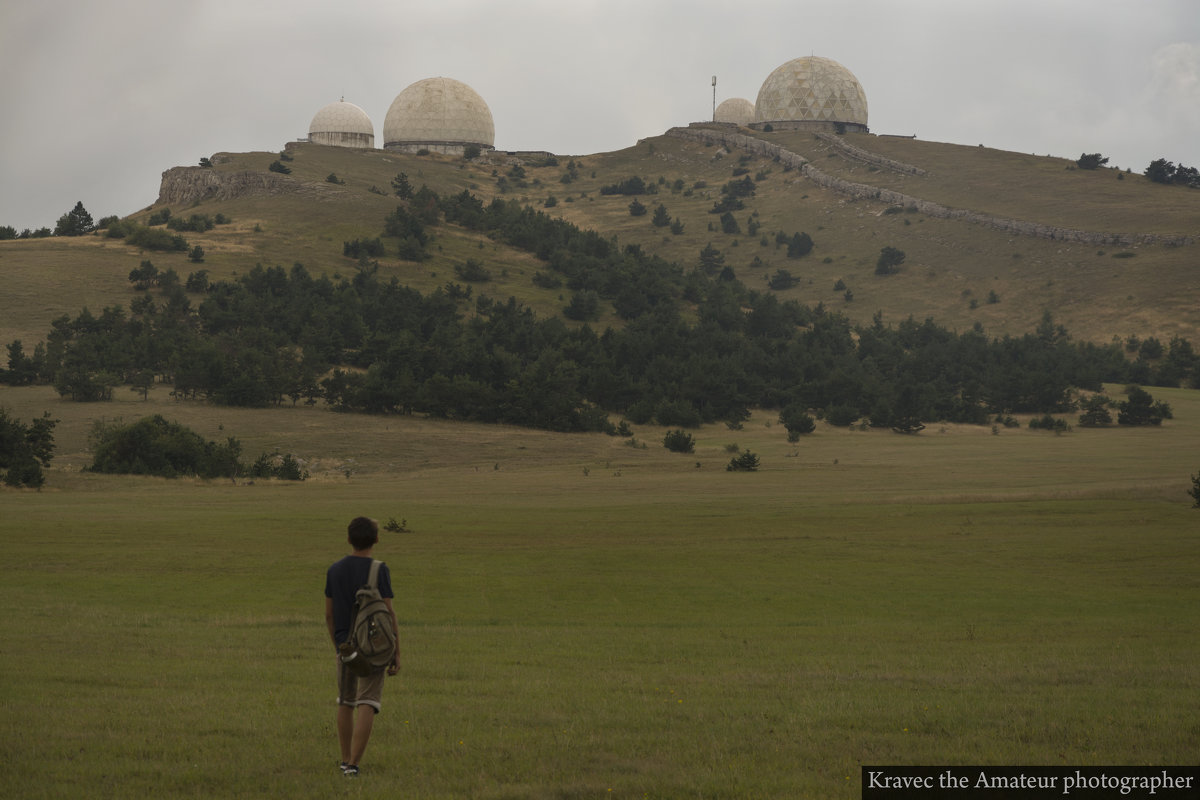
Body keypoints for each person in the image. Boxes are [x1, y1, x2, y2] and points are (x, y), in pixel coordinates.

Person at [324, 516, 401, 777]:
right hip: (374, 647)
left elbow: (329, 615)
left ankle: (344, 759)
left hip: (345, 646)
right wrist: (397, 651)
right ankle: (354, 765)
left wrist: (338, 645)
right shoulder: (380, 570)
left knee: (346, 702)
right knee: (368, 701)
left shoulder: (334, 570)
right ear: (376, 539)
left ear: (348, 539)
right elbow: (389, 613)